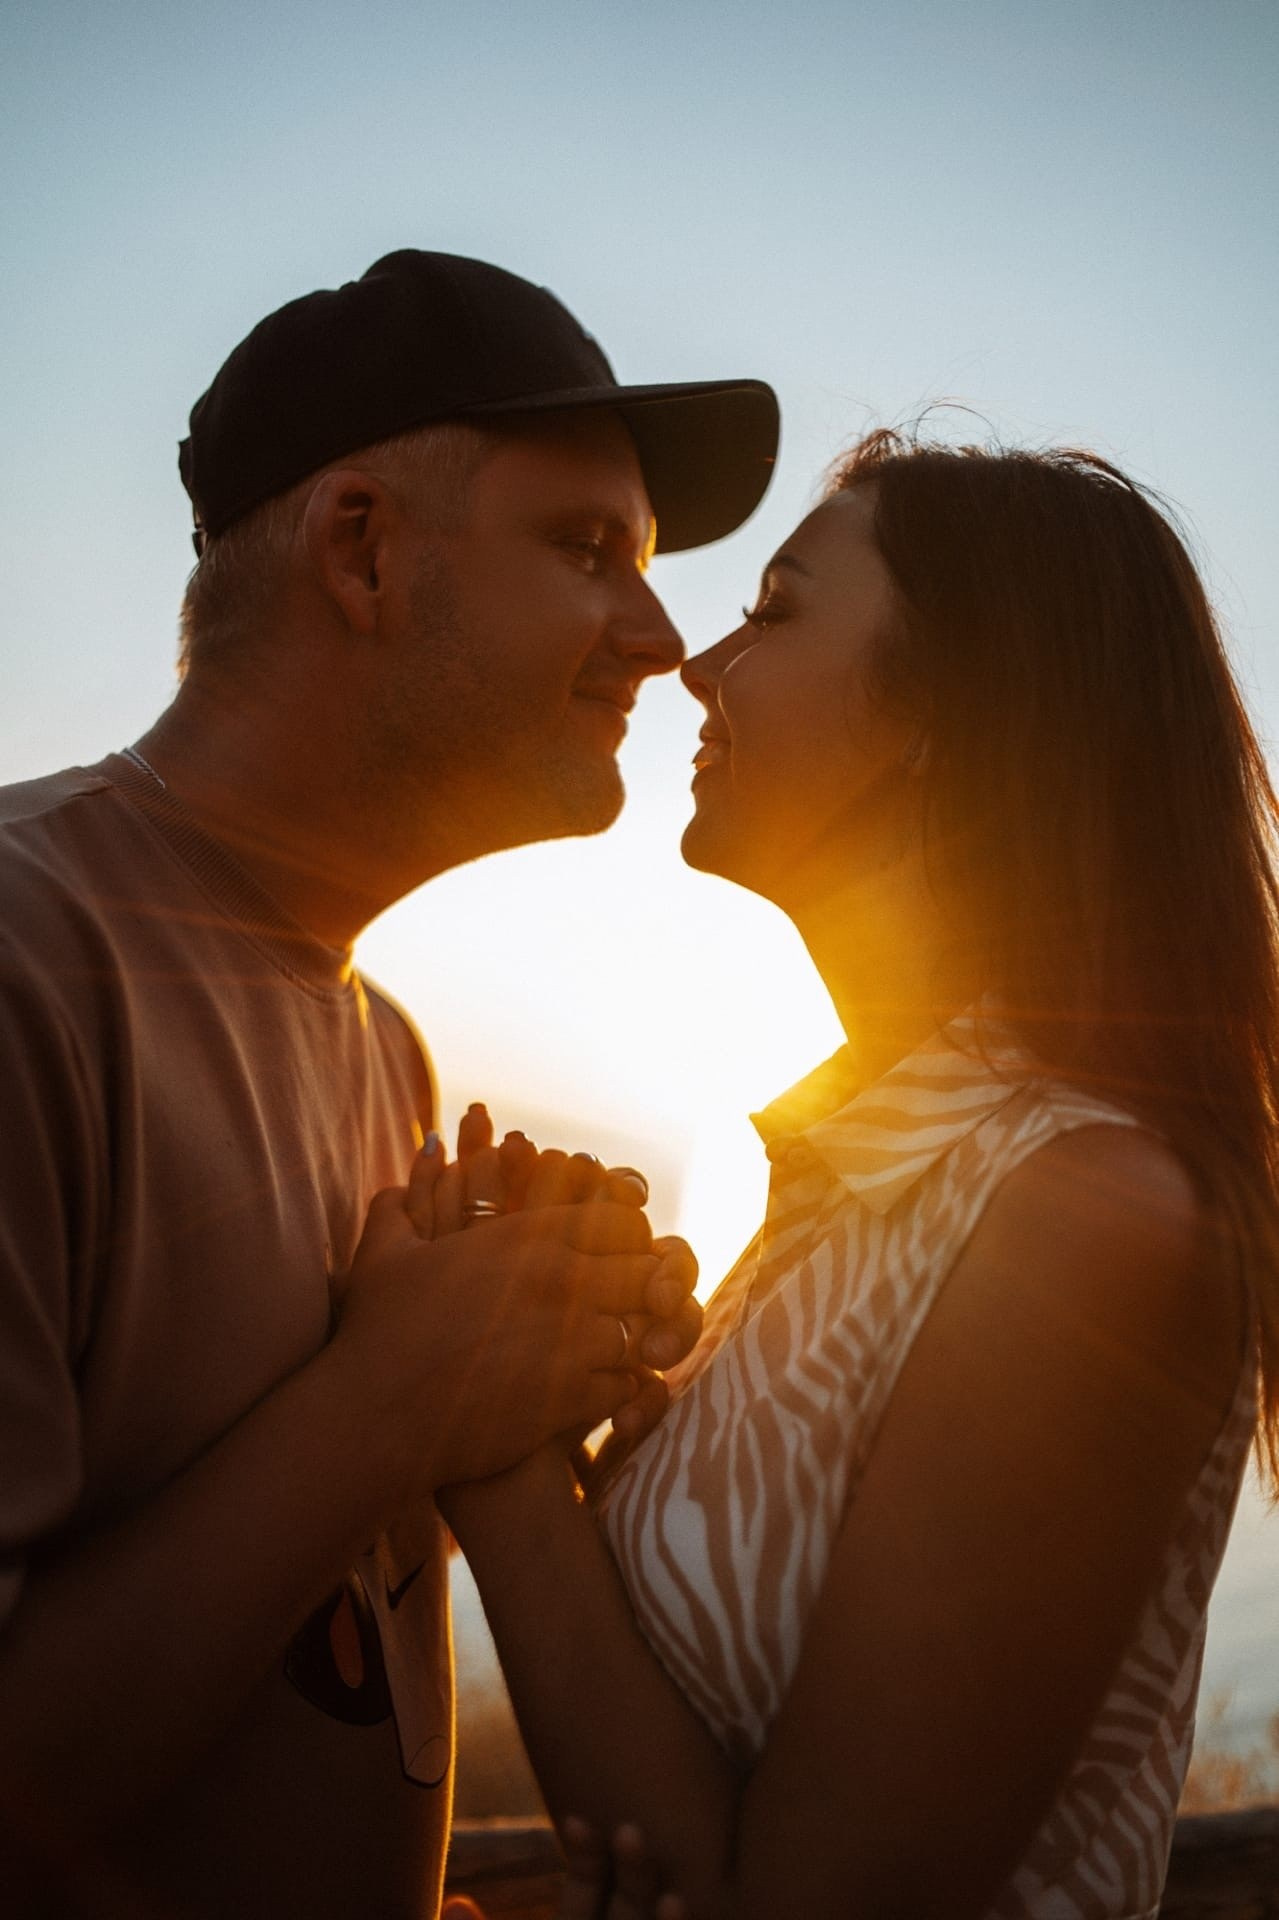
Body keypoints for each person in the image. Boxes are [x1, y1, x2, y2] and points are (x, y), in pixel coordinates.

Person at [0, 249, 779, 1919]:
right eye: (590, 554)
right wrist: (393, 1403)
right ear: (360, 550)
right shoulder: (24, 962)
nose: (660, 639)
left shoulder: (392, 1048)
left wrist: (518, 1371)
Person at [431, 430, 1279, 1919]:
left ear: (948, 710)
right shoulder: (867, 1176)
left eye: (774, 608)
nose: (698, 664)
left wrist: (488, 1449)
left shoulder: (1090, 1216)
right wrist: (567, 1376)